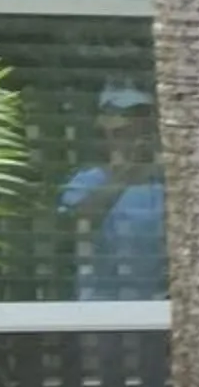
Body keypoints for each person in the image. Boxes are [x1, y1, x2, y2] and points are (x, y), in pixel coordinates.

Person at [59, 81, 167, 301]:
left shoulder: (168, 182)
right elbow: (75, 226)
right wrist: (125, 175)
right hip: (105, 306)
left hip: (159, 306)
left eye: (143, 130)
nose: (135, 139)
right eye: (124, 132)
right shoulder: (88, 180)